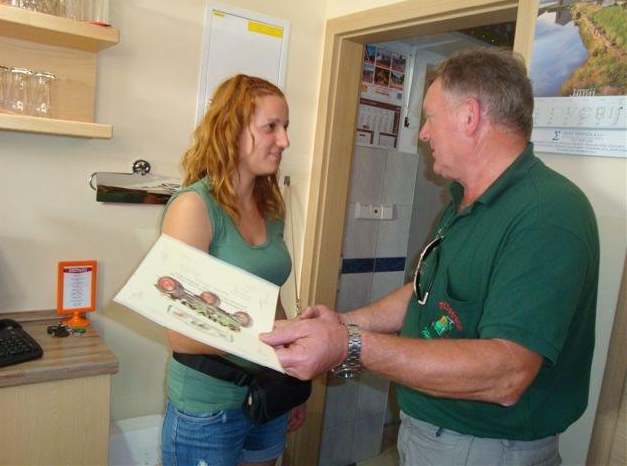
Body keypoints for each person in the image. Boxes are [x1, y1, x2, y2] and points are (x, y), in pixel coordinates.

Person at [261, 49, 599, 465]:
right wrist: (344, 322)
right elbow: (423, 291)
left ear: (469, 116)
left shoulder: (548, 214)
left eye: (431, 117)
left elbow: (508, 373)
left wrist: (350, 345)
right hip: (429, 432)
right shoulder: (463, 201)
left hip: (483, 448)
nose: (422, 133)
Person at [160, 74, 305, 466]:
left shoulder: (271, 206)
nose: (284, 140)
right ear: (232, 131)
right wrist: (281, 341)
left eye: (286, 127)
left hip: (267, 395)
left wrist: (291, 378)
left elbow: (271, 299)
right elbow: (181, 333)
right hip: (207, 409)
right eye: (271, 127)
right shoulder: (194, 207)